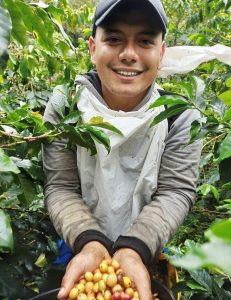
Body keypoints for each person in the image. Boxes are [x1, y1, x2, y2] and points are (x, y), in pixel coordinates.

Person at [42, 0, 202, 299]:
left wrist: (134, 248)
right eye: (114, 39)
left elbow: (175, 192)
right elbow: (62, 186)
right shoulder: (65, 107)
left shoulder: (180, 116)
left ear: (161, 52)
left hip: (148, 241)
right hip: (77, 239)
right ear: (92, 48)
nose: (128, 55)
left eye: (144, 41)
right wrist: (89, 242)